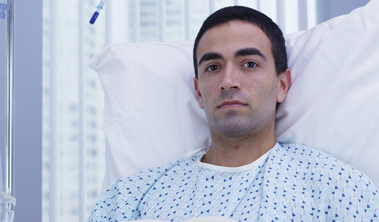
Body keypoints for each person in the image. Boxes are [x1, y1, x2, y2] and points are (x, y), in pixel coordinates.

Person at [87, 6, 379, 221]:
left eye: (249, 64)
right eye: (213, 67)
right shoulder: (130, 197)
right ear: (199, 91)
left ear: (282, 85)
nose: (228, 81)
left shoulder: (336, 187)